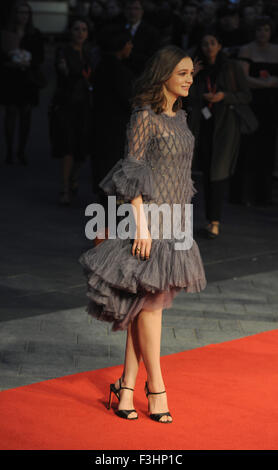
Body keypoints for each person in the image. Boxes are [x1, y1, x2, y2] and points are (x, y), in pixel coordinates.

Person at [79, 45, 207, 423]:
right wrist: (142, 226)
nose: (189, 79)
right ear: (164, 73)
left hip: (175, 221)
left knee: (144, 306)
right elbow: (130, 173)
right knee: (150, 308)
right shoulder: (143, 116)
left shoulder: (181, 118)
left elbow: (181, 175)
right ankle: (158, 388)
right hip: (147, 222)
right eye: (182, 73)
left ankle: (126, 387)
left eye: (191, 74)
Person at [186, 29, 251, 238]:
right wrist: (191, 76)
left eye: (213, 42)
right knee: (206, 172)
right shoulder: (196, 68)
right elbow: (183, 94)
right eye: (205, 43)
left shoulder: (231, 67)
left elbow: (246, 95)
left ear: (220, 45)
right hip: (201, 125)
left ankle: (214, 221)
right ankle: (209, 219)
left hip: (225, 126)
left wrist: (224, 96)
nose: (209, 47)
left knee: (218, 173)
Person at [90, 25, 134, 240]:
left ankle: (102, 236)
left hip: (100, 130)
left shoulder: (101, 67)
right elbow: (128, 101)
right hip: (115, 133)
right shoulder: (120, 71)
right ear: (123, 46)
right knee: (114, 185)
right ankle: (112, 236)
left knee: (104, 185)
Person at [230, 16, 278, 206]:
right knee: (246, 148)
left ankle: (263, 196)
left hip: (271, 104)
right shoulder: (247, 49)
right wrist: (267, 83)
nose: (262, 33)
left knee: (267, 150)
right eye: (259, 30)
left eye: (266, 30)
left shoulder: (276, 50)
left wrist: (270, 84)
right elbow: (243, 78)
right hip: (251, 103)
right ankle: (239, 194)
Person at [49, 17, 94, 205]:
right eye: (77, 29)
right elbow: (65, 74)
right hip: (67, 105)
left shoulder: (90, 53)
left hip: (85, 106)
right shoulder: (63, 52)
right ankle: (65, 188)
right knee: (68, 146)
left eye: (84, 29)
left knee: (82, 149)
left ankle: (73, 178)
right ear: (71, 31)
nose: (80, 33)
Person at [0, 0, 45, 165]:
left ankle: (21, 150)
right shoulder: (5, 33)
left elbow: (40, 57)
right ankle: (10, 150)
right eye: (20, 12)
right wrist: (11, 60)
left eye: (26, 13)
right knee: (10, 113)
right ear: (15, 14)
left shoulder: (35, 34)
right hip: (10, 78)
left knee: (26, 114)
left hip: (27, 79)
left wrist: (28, 62)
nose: (23, 16)